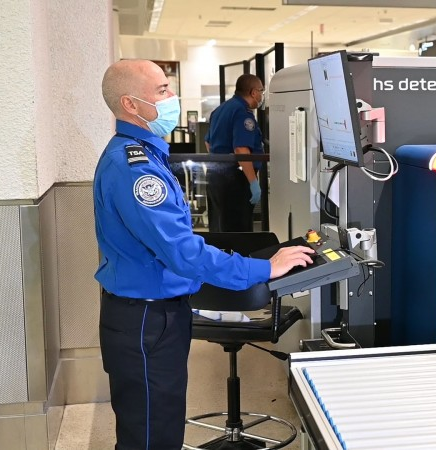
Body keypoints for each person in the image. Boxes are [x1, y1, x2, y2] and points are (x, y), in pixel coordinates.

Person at [94, 59, 314, 450]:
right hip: (146, 318)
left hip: (153, 312)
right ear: (131, 104)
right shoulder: (134, 169)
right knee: (150, 435)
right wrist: (263, 267)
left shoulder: (146, 154)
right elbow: (183, 253)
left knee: (157, 425)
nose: (172, 98)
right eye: (162, 91)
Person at [204, 74, 266, 232]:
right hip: (235, 181)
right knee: (239, 230)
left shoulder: (220, 109)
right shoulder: (242, 113)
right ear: (253, 92)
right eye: (261, 91)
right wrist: (253, 182)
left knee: (219, 228)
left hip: (215, 176)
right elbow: (241, 150)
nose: (262, 96)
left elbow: (208, 142)